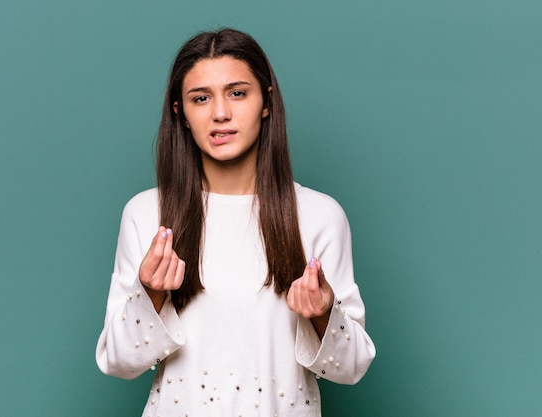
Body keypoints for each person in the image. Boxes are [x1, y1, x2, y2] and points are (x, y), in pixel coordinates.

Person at [96, 28, 375, 417]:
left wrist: (324, 312)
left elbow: (351, 368)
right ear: (180, 111)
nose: (221, 113)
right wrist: (150, 294)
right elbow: (119, 362)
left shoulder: (320, 215)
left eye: (238, 92)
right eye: (201, 98)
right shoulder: (147, 214)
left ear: (266, 102)